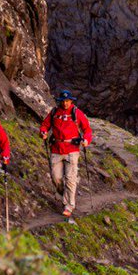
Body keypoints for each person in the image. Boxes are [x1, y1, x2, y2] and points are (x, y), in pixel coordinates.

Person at [40, 89, 92, 218]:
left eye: (67, 101)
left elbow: (87, 129)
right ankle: (65, 196)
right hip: (56, 149)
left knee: (70, 179)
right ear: (60, 101)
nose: (65, 103)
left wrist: (86, 140)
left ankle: (69, 205)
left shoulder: (76, 113)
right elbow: (45, 125)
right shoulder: (54, 112)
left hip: (72, 150)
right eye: (63, 101)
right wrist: (43, 132)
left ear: (71, 101)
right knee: (56, 177)